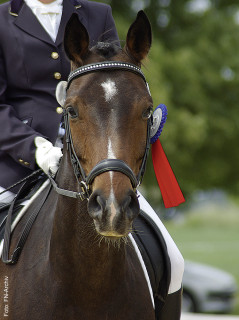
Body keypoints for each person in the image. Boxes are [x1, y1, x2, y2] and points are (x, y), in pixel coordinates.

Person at [0, 0, 184, 315]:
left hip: (98, 159)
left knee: (173, 259)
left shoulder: (97, 13)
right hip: (19, 167)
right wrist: (36, 148)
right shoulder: (2, 20)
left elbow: (117, 80)